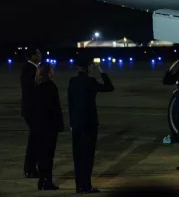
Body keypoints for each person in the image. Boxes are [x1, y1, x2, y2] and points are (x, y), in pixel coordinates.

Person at [68, 59, 114, 194]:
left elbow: (70, 103)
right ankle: (86, 185)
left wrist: (71, 123)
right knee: (87, 157)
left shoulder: (72, 81)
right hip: (89, 123)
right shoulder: (91, 82)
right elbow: (109, 87)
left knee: (78, 156)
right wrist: (101, 71)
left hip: (76, 123)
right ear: (88, 68)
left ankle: (79, 186)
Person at [32, 62, 64, 190]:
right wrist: (59, 124)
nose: (53, 71)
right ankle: (48, 181)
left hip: (39, 125)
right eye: (52, 70)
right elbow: (55, 108)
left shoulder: (37, 86)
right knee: (49, 155)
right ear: (48, 72)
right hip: (49, 126)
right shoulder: (51, 87)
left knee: (41, 154)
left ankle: (42, 180)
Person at [20, 47, 42, 178]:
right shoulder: (30, 69)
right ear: (33, 56)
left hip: (31, 110)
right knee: (34, 140)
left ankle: (31, 168)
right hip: (32, 110)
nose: (41, 55)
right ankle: (30, 169)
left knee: (34, 139)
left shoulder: (30, 68)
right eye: (38, 53)